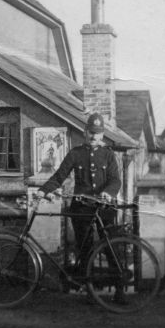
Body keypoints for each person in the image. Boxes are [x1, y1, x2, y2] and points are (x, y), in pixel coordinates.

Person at [34, 112, 125, 303]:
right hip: (82, 208)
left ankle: (119, 290)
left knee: (111, 246)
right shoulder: (76, 153)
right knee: (85, 249)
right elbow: (59, 176)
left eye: (98, 133)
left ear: (102, 134)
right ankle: (90, 290)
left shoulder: (108, 155)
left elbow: (115, 180)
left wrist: (109, 192)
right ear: (85, 131)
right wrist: (43, 190)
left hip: (104, 206)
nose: (94, 136)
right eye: (91, 132)